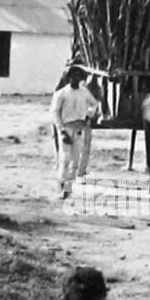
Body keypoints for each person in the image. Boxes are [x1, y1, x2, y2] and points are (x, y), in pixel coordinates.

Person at [50, 63, 101, 199]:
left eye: (78, 77)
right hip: (66, 128)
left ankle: (68, 189)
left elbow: (94, 104)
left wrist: (88, 116)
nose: (76, 79)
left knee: (75, 161)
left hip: (79, 129)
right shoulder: (61, 94)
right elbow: (55, 113)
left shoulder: (84, 92)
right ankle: (62, 185)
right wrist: (61, 130)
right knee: (65, 159)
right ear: (68, 78)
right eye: (73, 76)